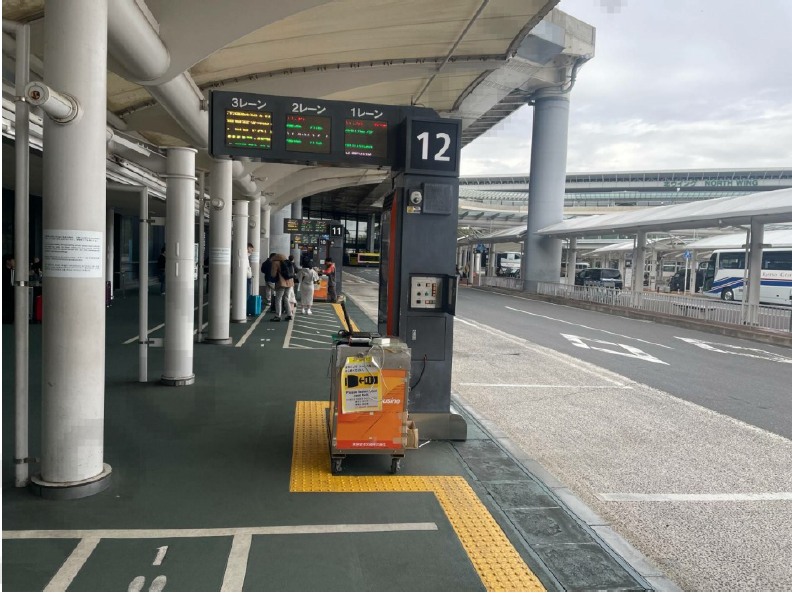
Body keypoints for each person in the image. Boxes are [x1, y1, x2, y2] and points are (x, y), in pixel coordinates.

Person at [271, 254, 294, 322]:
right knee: (286, 298)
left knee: (278, 299)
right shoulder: (287, 262)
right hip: (289, 282)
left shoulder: (275, 262)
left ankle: (278, 316)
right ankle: (289, 314)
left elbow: (273, 274)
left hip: (281, 283)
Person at [3, 254, 15, 324]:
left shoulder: (13, 271)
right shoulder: (3, 271)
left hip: (11, 292)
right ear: (8, 261)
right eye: (13, 260)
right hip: (5, 292)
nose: (14, 262)